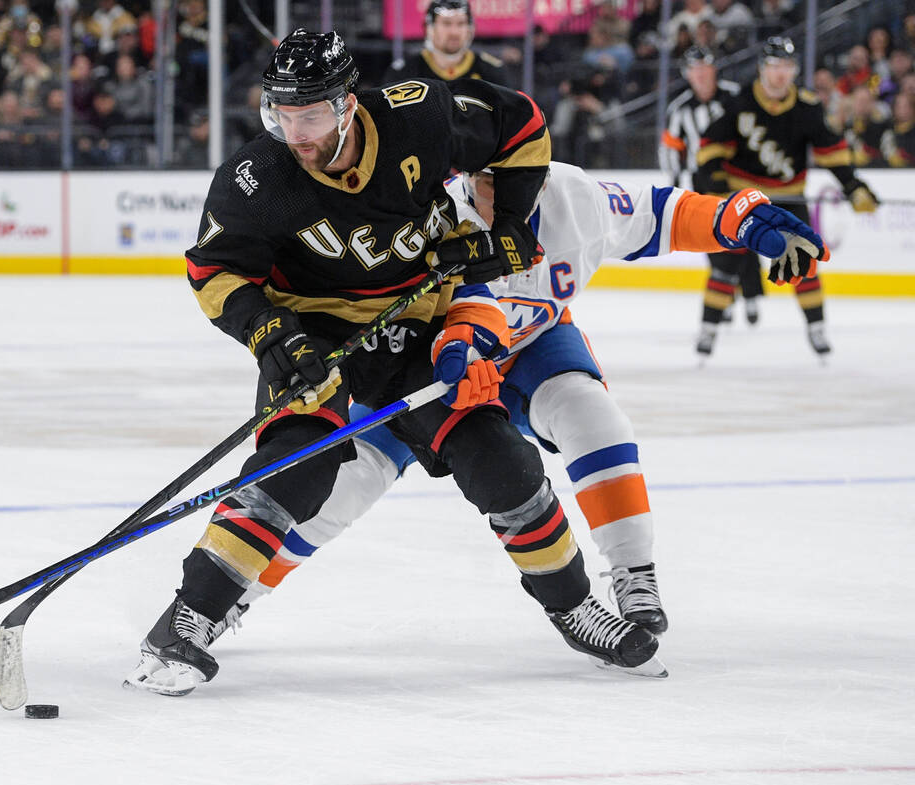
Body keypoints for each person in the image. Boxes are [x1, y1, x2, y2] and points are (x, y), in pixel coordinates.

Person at [125, 29, 661, 698]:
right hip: (312, 334)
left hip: (418, 320)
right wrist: (273, 338)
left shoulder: (419, 117)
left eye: (311, 116)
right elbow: (213, 272)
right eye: (282, 116)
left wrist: (513, 226)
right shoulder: (256, 177)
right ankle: (187, 618)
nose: (296, 133)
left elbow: (520, 124)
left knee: (502, 460)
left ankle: (574, 607)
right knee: (297, 466)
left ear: (349, 105)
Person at [206, 164, 828, 651]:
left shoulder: (573, 197)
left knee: (592, 415)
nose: (491, 194)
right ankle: (237, 592)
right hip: (427, 363)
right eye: (479, 178)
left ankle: (634, 574)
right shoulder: (427, 211)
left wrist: (750, 222)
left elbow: (668, 213)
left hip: (530, 348)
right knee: (348, 483)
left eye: (508, 176)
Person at [695, 36, 879, 360]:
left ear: (794, 70)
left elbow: (831, 151)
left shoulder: (807, 107)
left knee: (802, 260)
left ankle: (817, 328)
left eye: (786, 67)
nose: (780, 74)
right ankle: (708, 330)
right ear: (762, 69)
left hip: (789, 199)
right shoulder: (741, 103)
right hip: (745, 199)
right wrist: (716, 181)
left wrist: (854, 186)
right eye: (774, 66)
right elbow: (710, 145)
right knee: (725, 264)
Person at [662, 47, 763, 333]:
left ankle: (751, 294)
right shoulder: (680, 109)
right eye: (695, 69)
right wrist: (672, 188)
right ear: (687, 74)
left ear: (714, 69)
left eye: (705, 67)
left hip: (738, 176)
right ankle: (727, 296)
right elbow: (672, 151)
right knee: (714, 237)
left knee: (748, 233)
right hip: (702, 183)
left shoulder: (735, 96)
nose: (701, 74)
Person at [382, 0, 509, 85]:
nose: (454, 32)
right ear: (429, 28)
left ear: (470, 28)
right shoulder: (404, 73)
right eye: (446, 23)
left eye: (461, 24)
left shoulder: (492, 72)